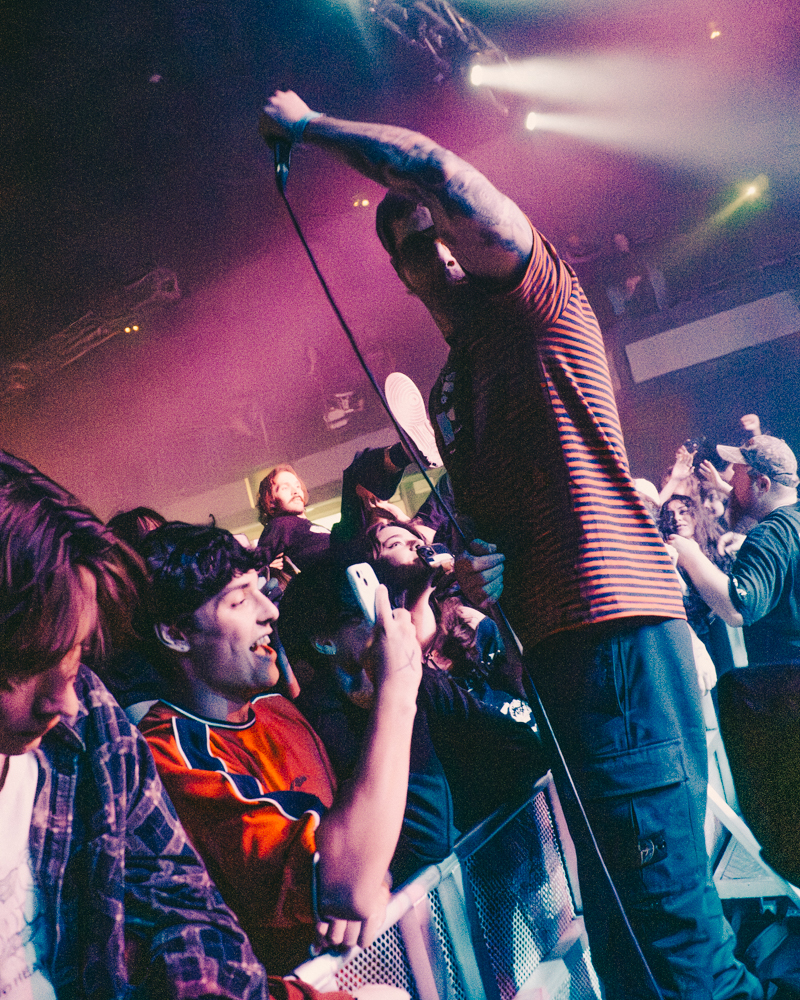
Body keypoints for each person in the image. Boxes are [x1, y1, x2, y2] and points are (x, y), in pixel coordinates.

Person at [259, 91, 763, 999]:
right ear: (402, 273)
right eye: (416, 242)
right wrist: (477, 574)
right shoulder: (456, 390)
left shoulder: (537, 302)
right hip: (563, 664)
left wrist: (309, 128)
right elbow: (503, 551)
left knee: (678, 958)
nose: (444, 246)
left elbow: (435, 169)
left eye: (447, 228)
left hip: (611, 645)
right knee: (628, 946)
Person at [0, 450, 270, 1000]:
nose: (66, 702)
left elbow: (182, 902)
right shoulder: (172, 742)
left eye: (75, 654)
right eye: (28, 663)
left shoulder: (94, 722)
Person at [136, 521, 422, 975]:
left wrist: (369, 874)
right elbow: (346, 882)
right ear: (176, 634)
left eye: (261, 590)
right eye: (238, 599)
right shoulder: (171, 754)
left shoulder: (276, 708)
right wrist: (398, 689)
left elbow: (357, 853)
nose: (270, 610)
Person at [671, 436, 800, 668]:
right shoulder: (791, 524)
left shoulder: (769, 534)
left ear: (762, 484)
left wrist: (691, 556)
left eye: (738, 472)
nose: (730, 479)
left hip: (785, 679)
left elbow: (737, 609)